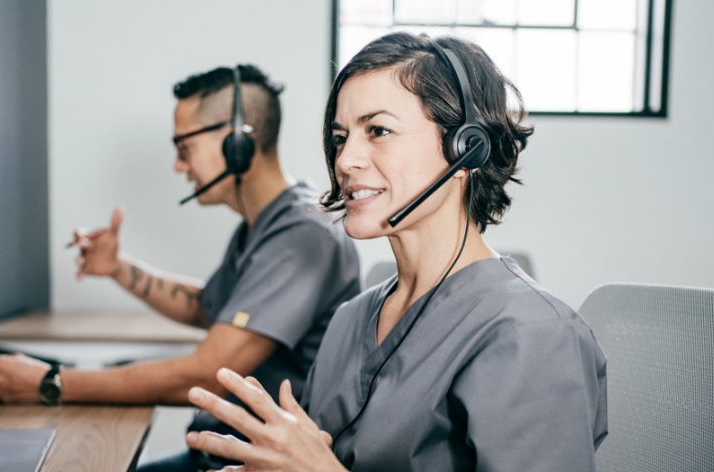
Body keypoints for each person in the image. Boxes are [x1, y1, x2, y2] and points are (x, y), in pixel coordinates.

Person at [184, 33, 608, 470]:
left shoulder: (533, 335)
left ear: (466, 148)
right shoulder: (350, 320)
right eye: (340, 136)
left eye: (379, 131)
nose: (346, 160)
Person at [0, 64, 361, 471]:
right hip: (220, 454)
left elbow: (209, 372)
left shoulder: (302, 235)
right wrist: (119, 269)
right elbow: (207, 306)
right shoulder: (266, 223)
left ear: (236, 144)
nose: (179, 166)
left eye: (183, 148)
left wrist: (49, 385)